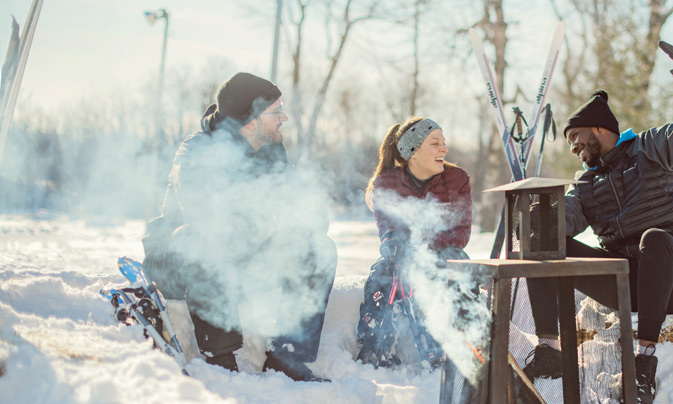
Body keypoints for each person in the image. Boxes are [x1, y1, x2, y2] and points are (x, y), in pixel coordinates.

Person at [520, 15, 673, 403]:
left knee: (654, 238)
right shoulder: (586, 183)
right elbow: (565, 222)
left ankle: (643, 363)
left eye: (576, 138)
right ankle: (548, 350)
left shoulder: (650, 148)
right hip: (626, 284)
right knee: (543, 243)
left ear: (599, 129)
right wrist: (535, 216)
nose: (574, 148)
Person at [142, 72, 337, 382]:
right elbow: (208, 218)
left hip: (245, 255)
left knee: (317, 248)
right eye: (276, 112)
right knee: (215, 235)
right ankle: (217, 357)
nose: (284, 117)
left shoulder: (272, 152)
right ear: (249, 121)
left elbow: (314, 218)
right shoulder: (198, 150)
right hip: (177, 261)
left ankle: (287, 353)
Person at [355, 117, 472, 368]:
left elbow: (461, 232)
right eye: (435, 143)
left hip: (444, 255)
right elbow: (387, 230)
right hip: (402, 258)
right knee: (383, 273)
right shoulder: (386, 182)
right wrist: (397, 243)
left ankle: (452, 343)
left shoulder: (457, 179)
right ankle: (376, 344)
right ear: (413, 151)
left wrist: (422, 246)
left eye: (444, 142)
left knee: (453, 266)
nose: (444, 149)